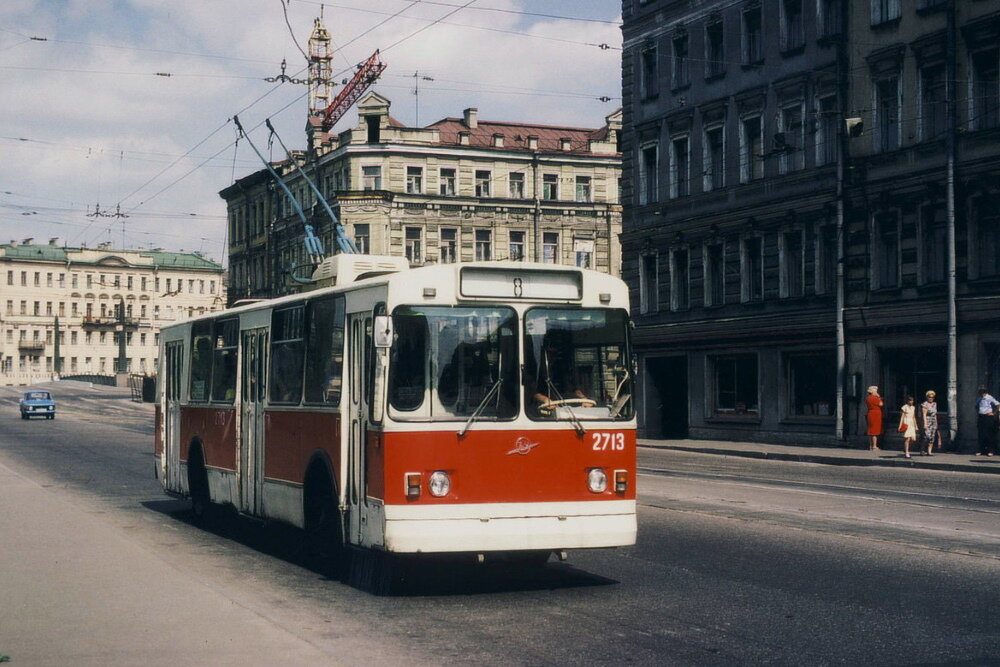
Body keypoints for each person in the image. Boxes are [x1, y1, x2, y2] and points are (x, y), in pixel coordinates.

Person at [975, 386, 999, 456]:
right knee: (981, 434)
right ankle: (981, 450)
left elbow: (997, 404)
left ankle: (991, 450)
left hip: (988, 417)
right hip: (981, 416)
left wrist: (994, 413)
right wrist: (978, 411)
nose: (980, 394)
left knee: (989, 434)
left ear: (985, 392)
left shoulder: (989, 397)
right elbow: (976, 405)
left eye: (981, 392)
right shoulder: (979, 398)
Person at [920, 390, 940, 456]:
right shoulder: (925, 404)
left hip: (933, 421)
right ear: (927, 397)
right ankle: (922, 450)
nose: (931, 398)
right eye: (929, 397)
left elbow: (935, 414)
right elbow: (924, 414)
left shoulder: (934, 404)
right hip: (927, 421)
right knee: (926, 436)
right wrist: (925, 423)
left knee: (932, 436)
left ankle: (929, 451)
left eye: (932, 397)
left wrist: (936, 423)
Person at [865, 386, 883, 451]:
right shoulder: (875, 398)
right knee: (875, 431)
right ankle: (874, 446)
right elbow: (881, 404)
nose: (876, 392)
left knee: (870, 430)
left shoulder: (867, 398)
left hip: (870, 413)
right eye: (875, 391)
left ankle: (870, 445)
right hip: (876, 414)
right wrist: (879, 397)